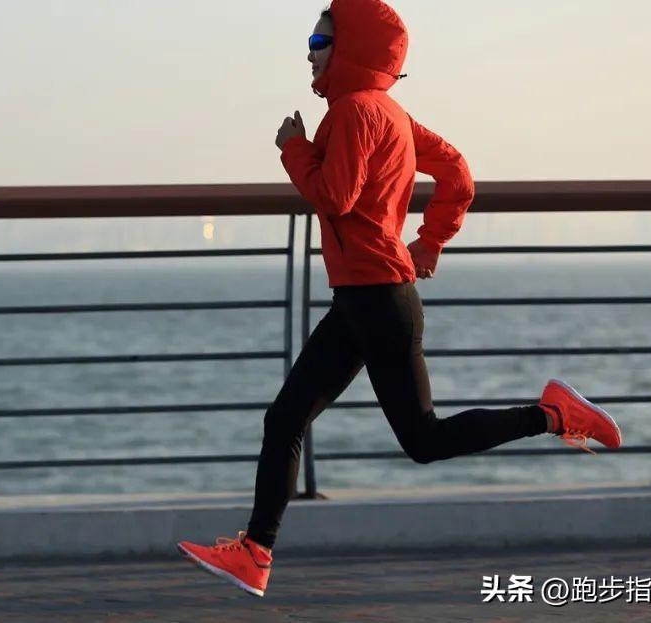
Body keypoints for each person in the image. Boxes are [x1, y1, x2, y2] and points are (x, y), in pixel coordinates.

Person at [175, 0, 623, 598]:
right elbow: (457, 173)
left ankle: (555, 415)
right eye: (310, 41)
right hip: (364, 298)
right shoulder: (387, 112)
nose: (309, 53)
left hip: (379, 300)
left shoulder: (355, 111)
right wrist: (429, 243)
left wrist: (293, 147)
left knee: (423, 440)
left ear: (351, 47)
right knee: (285, 418)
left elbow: (335, 197)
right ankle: (256, 554)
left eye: (319, 41)